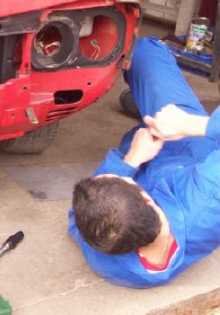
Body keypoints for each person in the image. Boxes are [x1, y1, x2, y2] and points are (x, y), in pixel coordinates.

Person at [68, 37, 220, 288]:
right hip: (199, 145)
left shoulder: (106, 251)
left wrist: (132, 159)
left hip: (154, 138)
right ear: (147, 197)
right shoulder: (209, 199)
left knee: (141, 50)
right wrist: (193, 125)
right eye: (123, 176)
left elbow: (78, 217)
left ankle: (139, 104)